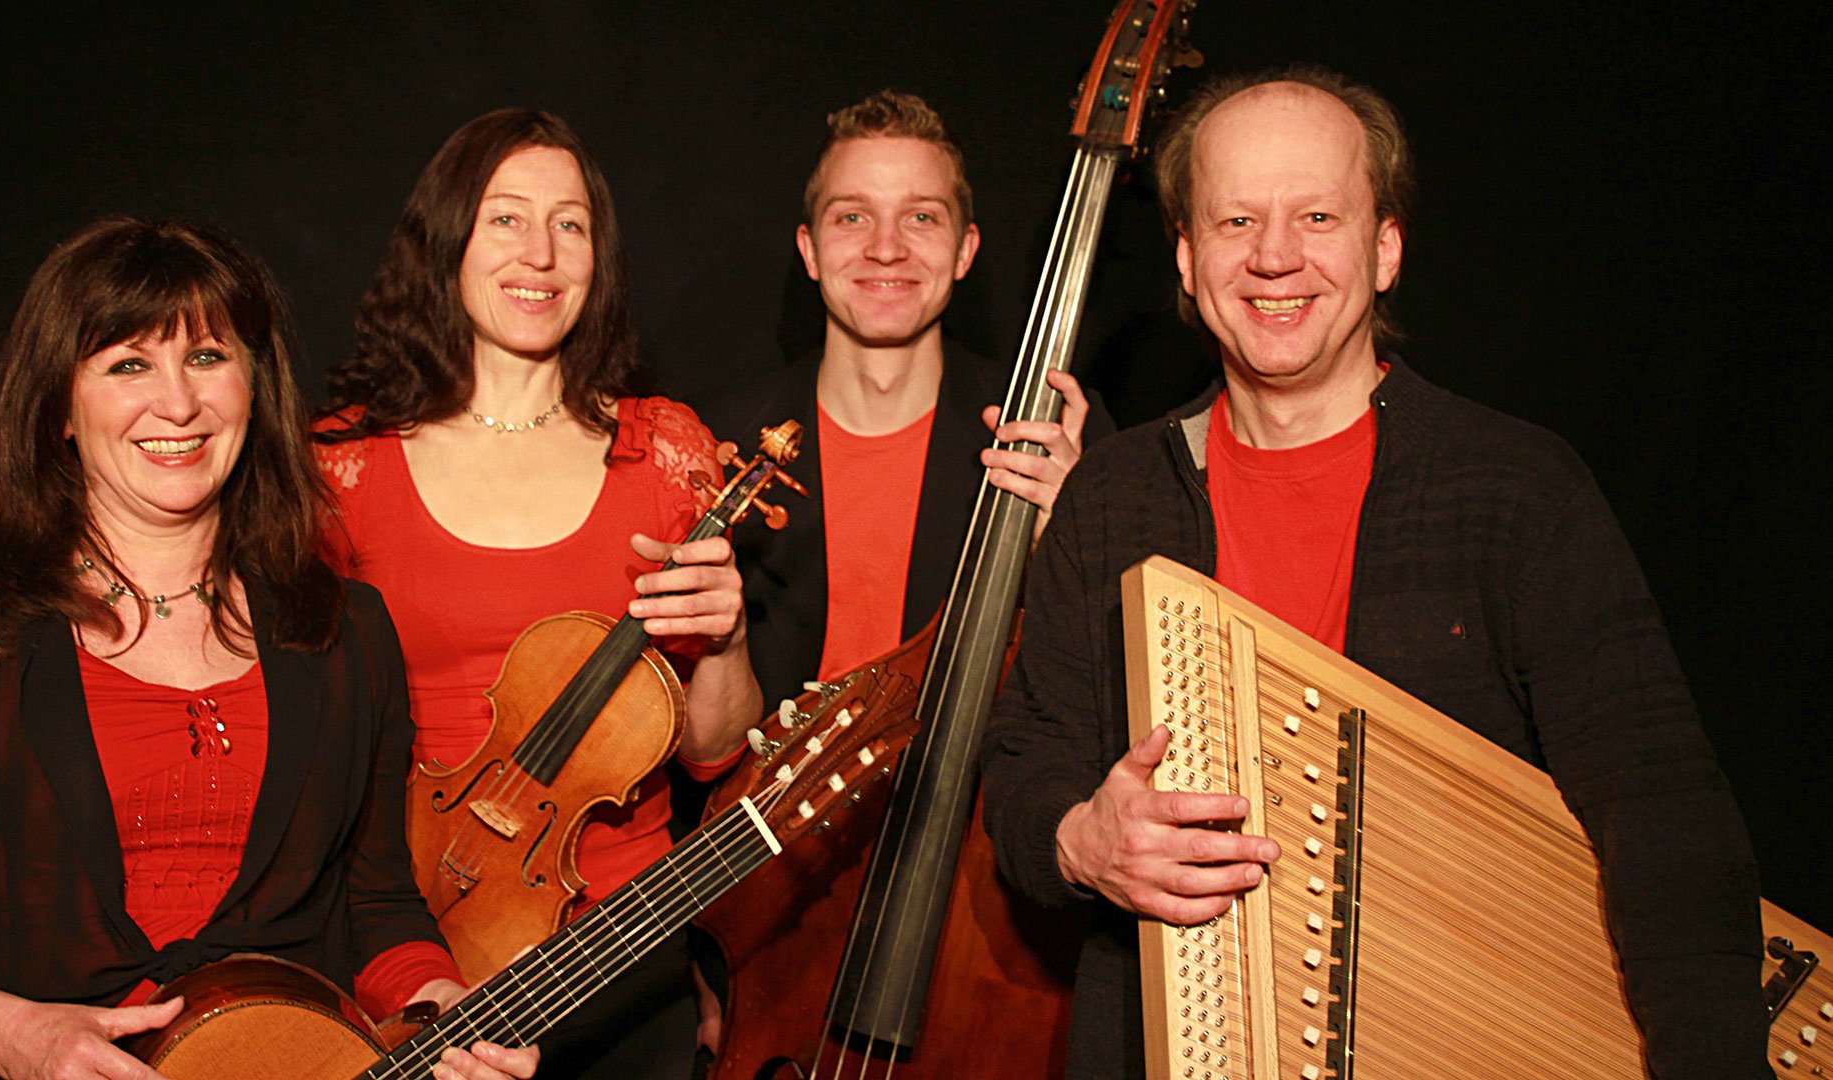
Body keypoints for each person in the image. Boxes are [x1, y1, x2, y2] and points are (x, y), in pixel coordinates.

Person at [979, 65, 1771, 1079]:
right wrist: (1081, 839)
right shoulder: (1112, 496)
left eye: (1317, 216)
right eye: (1235, 221)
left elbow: (1662, 805)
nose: (1274, 256)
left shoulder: (1515, 490)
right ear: (1185, 256)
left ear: (1385, 249)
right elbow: (1026, 764)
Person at [0, 218, 535, 1079]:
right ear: (58, 406)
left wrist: (442, 1007)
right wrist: (18, 1038)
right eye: (129, 364)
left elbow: (377, 905)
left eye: (207, 357)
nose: (178, 404)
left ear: (254, 385)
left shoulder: (346, 633)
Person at [313, 108, 756, 1078]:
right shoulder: (344, 464)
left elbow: (712, 750)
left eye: (571, 224)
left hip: (619, 951)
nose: (541, 254)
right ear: (448, 240)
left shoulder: (664, 450)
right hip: (416, 948)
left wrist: (726, 641)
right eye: (506, 218)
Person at [697, 88, 1103, 710]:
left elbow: (1106, 693)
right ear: (809, 250)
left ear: (964, 250)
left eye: (921, 218)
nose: (886, 248)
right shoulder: (714, 440)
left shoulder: (1057, 438)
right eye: (852, 217)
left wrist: (1073, 549)